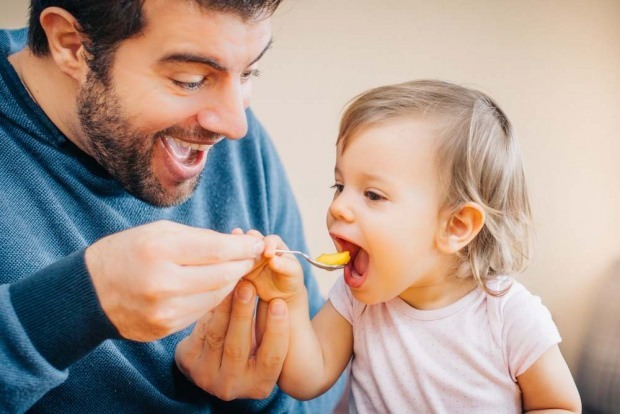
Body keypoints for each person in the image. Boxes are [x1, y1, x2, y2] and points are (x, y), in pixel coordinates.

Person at [0, 0, 344, 412]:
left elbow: (326, 386)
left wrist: (259, 390)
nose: (236, 126)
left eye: (249, 72)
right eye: (191, 80)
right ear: (72, 44)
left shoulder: (231, 141)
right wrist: (79, 302)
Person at [245, 80, 582, 413]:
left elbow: (560, 406)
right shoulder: (355, 301)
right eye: (340, 185)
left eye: (373, 195)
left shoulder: (508, 314)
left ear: (456, 226)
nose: (338, 207)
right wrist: (288, 298)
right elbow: (305, 379)